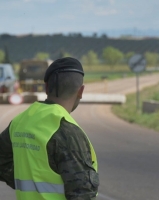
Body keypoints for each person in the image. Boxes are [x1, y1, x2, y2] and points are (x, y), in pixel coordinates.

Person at [0, 57, 99, 200]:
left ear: (46, 87)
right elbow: (83, 194)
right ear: (80, 91)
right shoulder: (67, 131)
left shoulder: (20, 121)